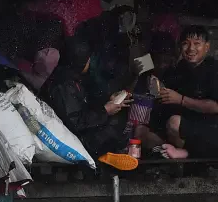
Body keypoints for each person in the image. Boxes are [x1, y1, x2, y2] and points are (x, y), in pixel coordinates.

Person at [42, 36, 148, 171]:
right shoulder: (63, 85)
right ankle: (104, 158)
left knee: (117, 118)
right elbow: (75, 122)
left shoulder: (72, 79)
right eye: (87, 59)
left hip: (78, 132)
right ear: (79, 62)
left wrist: (109, 101)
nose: (90, 61)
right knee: (113, 125)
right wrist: (105, 110)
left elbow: (84, 105)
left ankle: (109, 156)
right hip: (73, 140)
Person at [143, 26, 218, 160]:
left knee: (175, 122)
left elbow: (217, 107)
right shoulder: (181, 68)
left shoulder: (215, 70)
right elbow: (166, 92)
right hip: (189, 128)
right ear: (180, 47)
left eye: (197, 44)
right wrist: (157, 85)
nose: (191, 49)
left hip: (214, 132)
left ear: (207, 47)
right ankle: (177, 153)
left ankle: (186, 155)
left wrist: (181, 99)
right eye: (186, 43)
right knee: (145, 132)